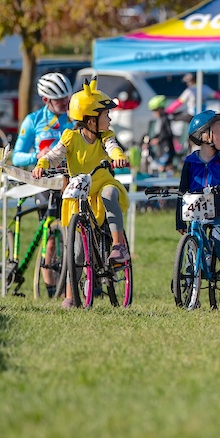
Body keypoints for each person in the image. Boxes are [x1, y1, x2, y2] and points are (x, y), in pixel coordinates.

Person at [32, 78, 131, 309]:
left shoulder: (106, 136)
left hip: (101, 184)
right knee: (75, 253)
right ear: (90, 120)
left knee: (109, 194)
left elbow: (113, 147)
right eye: (106, 115)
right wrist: (43, 164)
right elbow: (55, 154)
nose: (110, 118)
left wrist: (117, 157)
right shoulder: (70, 137)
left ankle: (118, 245)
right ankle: (70, 296)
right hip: (79, 192)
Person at [12, 72, 73, 296]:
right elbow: (17, 156)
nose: (66, 103)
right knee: (51, 232)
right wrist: (37, 156)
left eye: (68, 97)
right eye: (60, 100)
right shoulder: (33, 120)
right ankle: (50, 287)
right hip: (45, 182)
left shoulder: (74, 117)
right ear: (46, 100)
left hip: (70, 179)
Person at [176, 110, 220, 310]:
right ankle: (188, 286)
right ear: (205, 136)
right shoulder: (190, 162)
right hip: (195, 213)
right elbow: (182, 192)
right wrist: (179, 220)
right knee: (191, 252)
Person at [145, 95, 176, 175]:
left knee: (163, 168)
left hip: (166, 148)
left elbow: (169, 133)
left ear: (160, 109)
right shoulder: (160, 120)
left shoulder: (165, 119)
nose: (153, 113)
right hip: (161, 149)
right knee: (159, 167)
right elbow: (158, 133)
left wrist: (159, 139)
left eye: (155, 110)